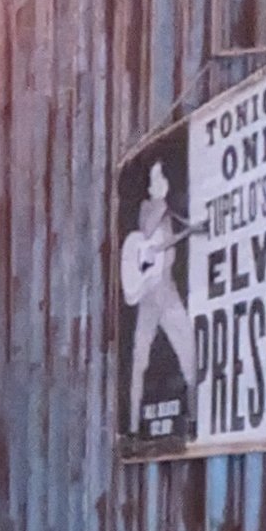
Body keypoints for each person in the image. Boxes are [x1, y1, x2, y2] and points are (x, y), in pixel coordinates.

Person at [119, 159, 193, 430]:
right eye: (155, 179)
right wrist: (161, 203)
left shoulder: (169, 213)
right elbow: (148, 233)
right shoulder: (150, 207)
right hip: (150, 298)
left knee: (189, 351)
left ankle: (194, 415)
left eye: (161, 178)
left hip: (168, 292)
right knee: (140, 360)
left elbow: (165, 248)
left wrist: (188, 229)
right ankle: (134, 425)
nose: (159, 183)